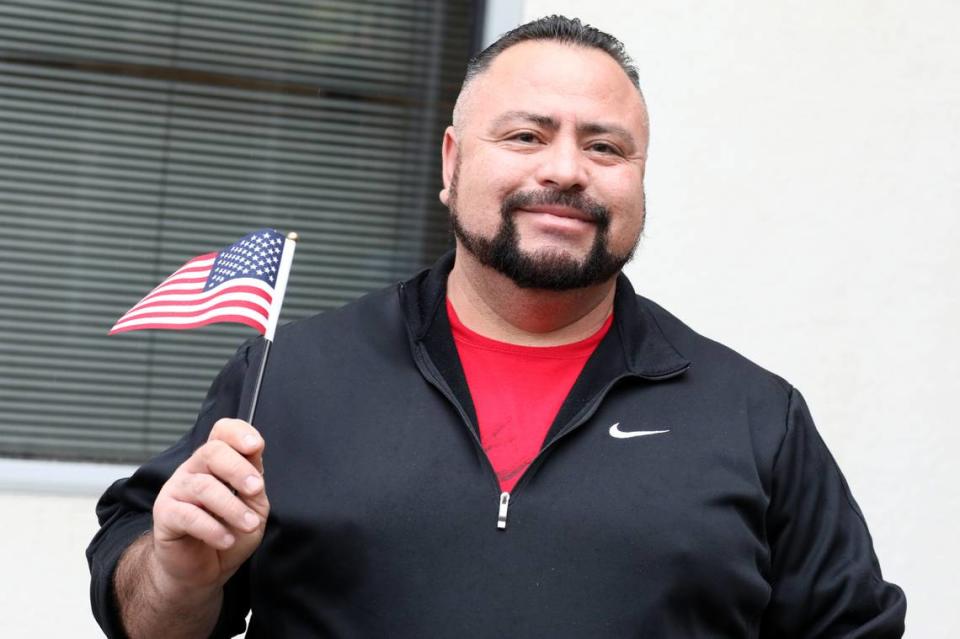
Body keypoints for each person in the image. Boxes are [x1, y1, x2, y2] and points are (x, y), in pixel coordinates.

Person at [87, 15, 906, 638]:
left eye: (606, 147)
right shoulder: (290, 375)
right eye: (526, 135)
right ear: (451, 163)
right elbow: (150, 613)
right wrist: (178, 574)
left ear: (640, 181)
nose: (564, 169)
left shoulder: (755, 416)